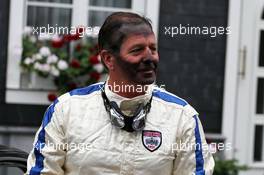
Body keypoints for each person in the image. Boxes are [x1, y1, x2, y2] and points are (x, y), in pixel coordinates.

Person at [26, 12, 214, 175]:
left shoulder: (182, 116)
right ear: (108, 59)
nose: (150, 58)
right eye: (137, 50)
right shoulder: (66, 110)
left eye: (153, 49)